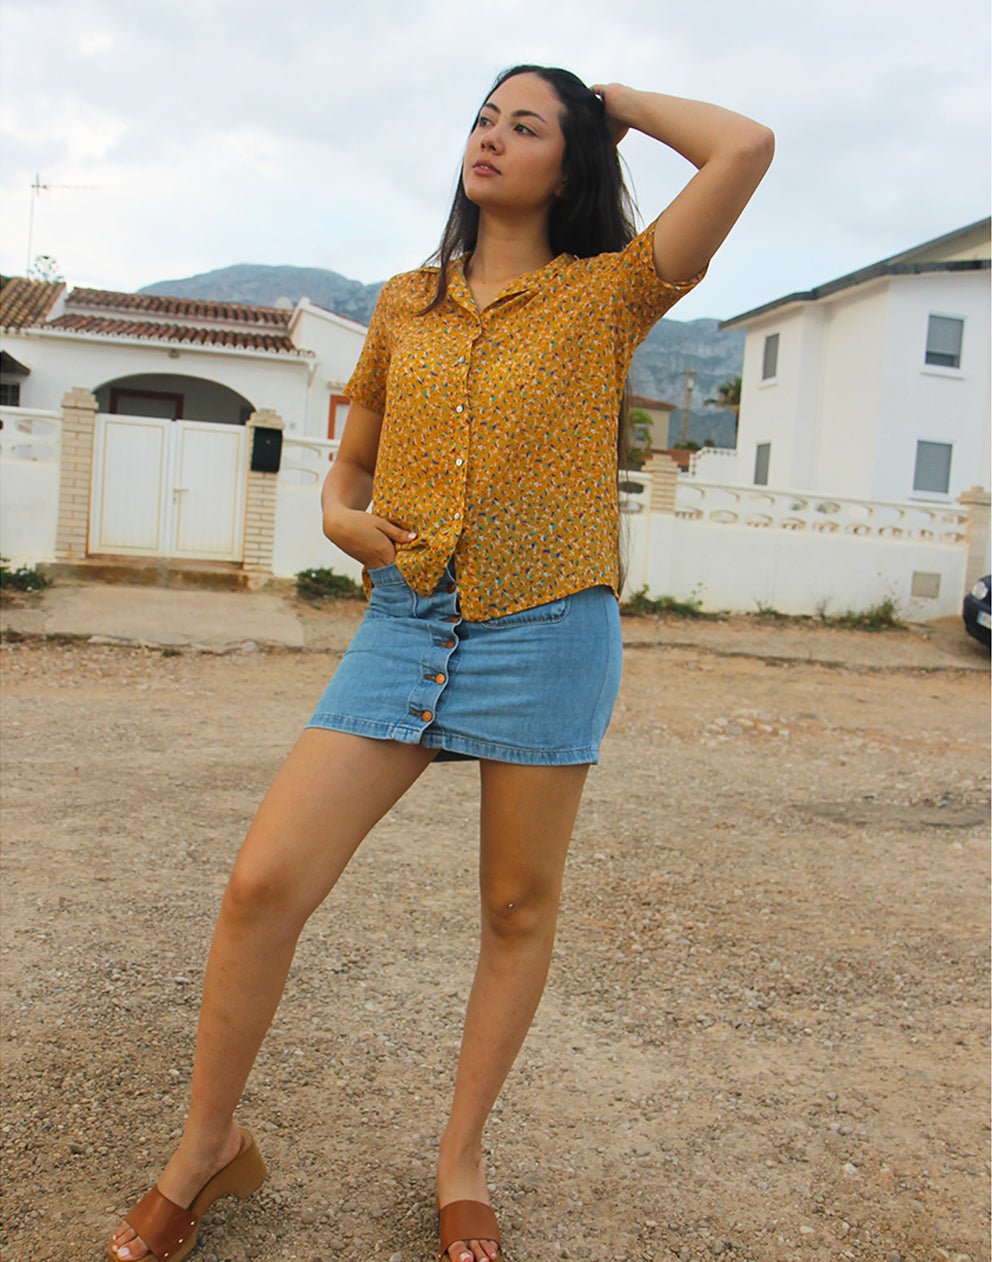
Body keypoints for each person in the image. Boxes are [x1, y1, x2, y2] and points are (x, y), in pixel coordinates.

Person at [108, 64, 773, 1262]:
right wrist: (337, 517)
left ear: (568, 164)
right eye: (482, 117)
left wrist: (607, 97)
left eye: (526, 127)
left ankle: (459, 1158)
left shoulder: (610, 292)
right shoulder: (403, 301)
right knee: (264, 881)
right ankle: (206, 1146)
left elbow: (742, 147)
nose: (490, 138)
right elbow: (347, 467)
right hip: (405, 619)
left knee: (515, 907)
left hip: (548, 626)